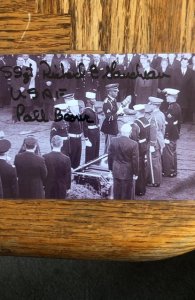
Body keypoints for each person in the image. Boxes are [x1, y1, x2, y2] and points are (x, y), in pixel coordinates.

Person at [108, 123, 139, 200]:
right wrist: (136, 173)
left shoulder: (113, 140)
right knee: (126, 193)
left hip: (116, 170)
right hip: (127, 171)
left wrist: (110, 169)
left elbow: (110, 156)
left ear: (121, 131)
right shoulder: (134, 144)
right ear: (130, 132)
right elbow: (135, 160)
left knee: (116, 192)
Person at [162, 88, 182, 177]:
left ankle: (169, 171)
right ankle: (173, 171)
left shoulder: (172, 108)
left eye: (168, 96)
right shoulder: (176, 106)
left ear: (172, 97)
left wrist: (166, 136)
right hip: (175, 133)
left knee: (169, 153)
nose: (166, 97)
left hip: (170, 134)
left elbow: (169, 124)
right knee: (173, 152)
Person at [145, 98, 165, 187]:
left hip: (154, 140)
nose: (149, 105)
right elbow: (163, 129)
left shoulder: (154, 116)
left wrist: (152, 143)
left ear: (154, 105)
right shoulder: (161, 114)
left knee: (153, 162)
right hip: (159, 139)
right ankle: (157, 179)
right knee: (157, 161)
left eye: (150, 104)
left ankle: (154, 181)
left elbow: (154, 131)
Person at [101, 83, 124, 153]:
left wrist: (121, 113)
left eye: (117, 91)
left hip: (113, 126)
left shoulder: (113, 100)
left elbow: (115, 112)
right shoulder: (107, 102)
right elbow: (109, 118)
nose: (117, 92)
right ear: (110, 92)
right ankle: (106, 161)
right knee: (109, 147)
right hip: (109, 127)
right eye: (114, 91)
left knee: (112, 145)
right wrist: (118, 113)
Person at [133, 104, 150, 196]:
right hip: (145, 145)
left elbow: (134, 138)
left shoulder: (136, 123)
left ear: (137, 112)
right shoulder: (146, 120)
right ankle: (143, 188)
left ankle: (139, 189)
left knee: (138, 168)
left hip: (138, 146)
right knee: (143, 167)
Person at [65, 95, 83, 169]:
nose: (78, 108)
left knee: (77, 158)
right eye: (76, 107)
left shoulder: (78, 115)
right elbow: (66, 129)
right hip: (72, 140)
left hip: (79, 139)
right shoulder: (68, 116)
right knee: (72, 158)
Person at [83, 91, 100, 163]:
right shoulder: (86, 111)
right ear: (88, 100)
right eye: (93, 99)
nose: (95, 100)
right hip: (90, 133)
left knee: (96, 151)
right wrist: (86, 138)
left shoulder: (93, 109)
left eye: (95, 99)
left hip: (96, 132)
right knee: (90, 152)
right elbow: (85, 125)